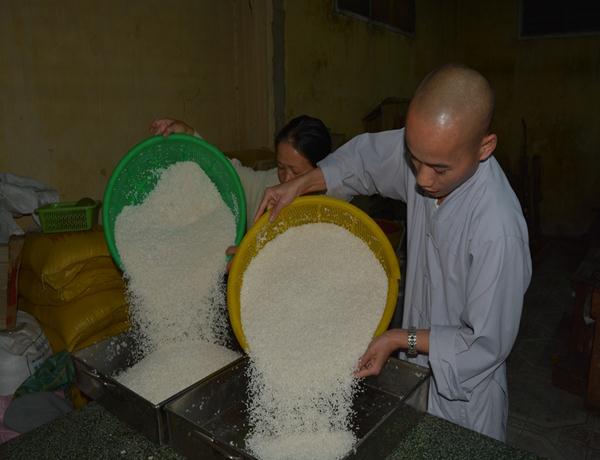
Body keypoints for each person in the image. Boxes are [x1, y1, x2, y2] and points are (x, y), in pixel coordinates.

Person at [254, 63, 532, 442]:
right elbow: (365, 161)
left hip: (463, 403)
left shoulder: (498, 230)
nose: (421, 180)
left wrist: (401, 338)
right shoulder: (429, 152)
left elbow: (484, 344)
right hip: (412, 379)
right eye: (414, 159)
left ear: (485, 147)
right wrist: (302, 182)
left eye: (438, 169)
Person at [150, 115, 332, 230]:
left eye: (296, 172)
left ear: (320, 170)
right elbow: (224, 171)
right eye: (281, 167)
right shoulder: (268, 185)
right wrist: (189, 135)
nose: (286, 178)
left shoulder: (332, 208)